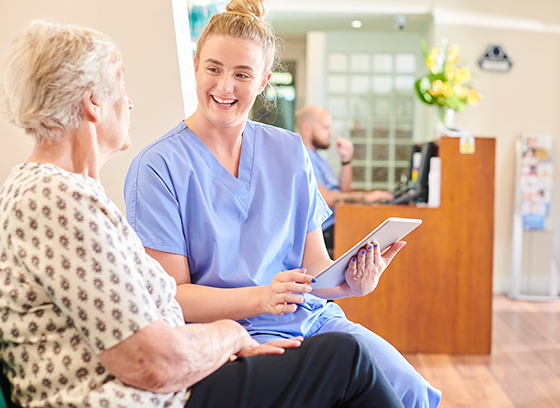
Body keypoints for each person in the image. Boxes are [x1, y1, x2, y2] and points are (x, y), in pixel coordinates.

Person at [0, 19, 407, 408]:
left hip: (173, 378)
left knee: (359, 364)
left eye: (243, 74)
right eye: (120, 84)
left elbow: (142, 331)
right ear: (93, 103)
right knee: (344, 357)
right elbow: (152, 361)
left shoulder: (67, 194)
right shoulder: (56, 198)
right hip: (151, 395)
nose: (129, 100)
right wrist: (230, 336)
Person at [124, 0, 442, 407]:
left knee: (411, 390)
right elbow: (172, 298)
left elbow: (312, 270)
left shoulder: (290, 151)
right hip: (238, 333)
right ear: (196, 65)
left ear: (263, 81)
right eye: (214, 69)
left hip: (314, 320)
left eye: (242, 74)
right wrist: (261, 298)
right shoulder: (158, 167)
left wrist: (353, 284)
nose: (224, 87)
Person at [295, 106, 394, 252]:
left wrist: (346, 160)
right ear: (307, 128)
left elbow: (343, 191)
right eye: (325, 128)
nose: (331, 133)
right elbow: (326, 199)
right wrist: (366, 197)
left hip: (338, 222)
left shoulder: (320, 159)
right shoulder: (303, 157)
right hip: (323, 231)